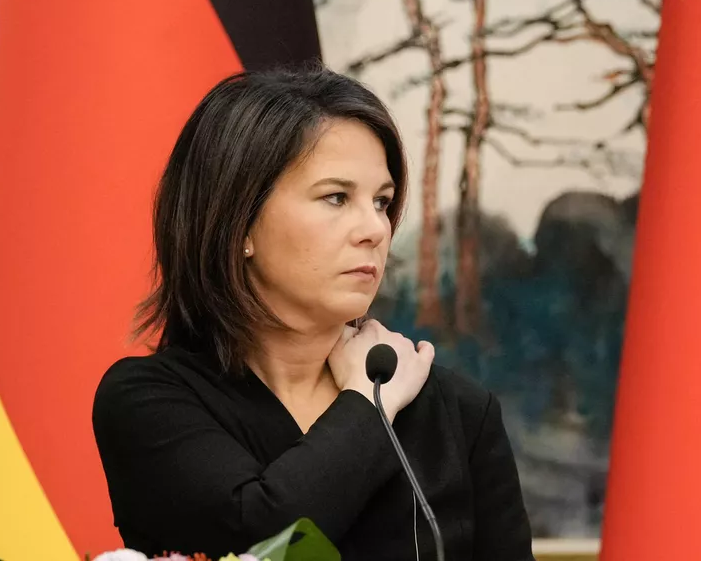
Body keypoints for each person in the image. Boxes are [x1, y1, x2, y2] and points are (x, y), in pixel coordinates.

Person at [92, 64, 534, 560]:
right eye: (336, 197)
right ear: (239, 225)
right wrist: (368, 405)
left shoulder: (459, 411)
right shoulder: (150, 402)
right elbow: (262, 539)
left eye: (382, 202)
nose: (376, 229)